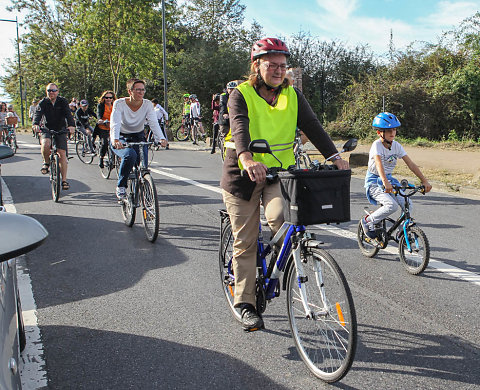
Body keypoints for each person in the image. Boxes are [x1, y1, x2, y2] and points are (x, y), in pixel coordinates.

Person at [220, 37, 349, 331]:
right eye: (271, 65)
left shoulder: (292, 94)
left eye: (282, 65)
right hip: (242, 175)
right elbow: (239, 126)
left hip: (280, 173)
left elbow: (312, 126)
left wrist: (335, 156)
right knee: (246, 241)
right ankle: (245, 303)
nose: (278, 70)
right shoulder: (241, 94)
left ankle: (277, 271)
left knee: (283, 220)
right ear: (257, 65)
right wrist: (247, 158)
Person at [361, 112, 432, 239]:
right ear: (379, 133)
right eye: (388, 130)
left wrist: (424, 181)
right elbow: (378, 164)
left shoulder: (396, 146)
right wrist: (385, 182)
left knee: (408, 203)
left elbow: (411, 164)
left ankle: (402, 231)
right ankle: (368, 221)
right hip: (374, 182)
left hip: (389, 180)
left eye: (394, 129)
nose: (392, 133)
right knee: (391, 206)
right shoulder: (376, 145)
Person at [110, 78, 167, 199]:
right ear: (130, 91)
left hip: (138, 135)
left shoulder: (147, 104)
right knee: (130, 155)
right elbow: (115, 123)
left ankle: (145, 192)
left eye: (143, 90)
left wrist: (161, 138)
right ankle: (121, 186)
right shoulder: (119, 103)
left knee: (143, 167)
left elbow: (153, 123)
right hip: (121, 136)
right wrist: (115, 140)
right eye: (138, 90)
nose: (141, 93)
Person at [32, 83, 75, 190]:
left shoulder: (63, 101)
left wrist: (71, 126)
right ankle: (46, 163)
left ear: (58, 91)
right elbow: (38, 114)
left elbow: (68, 114)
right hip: (47, 128)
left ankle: (64, 180)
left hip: (60, 129)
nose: (51, 92)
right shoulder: (43, 102)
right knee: (46, 144)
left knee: (62, 155)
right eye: (49, 90)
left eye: (53, 90)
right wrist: (35, 124)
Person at [95, 90, 117, 168]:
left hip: (113, 126)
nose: (108, 99)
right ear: (104, 98)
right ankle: (101, 158)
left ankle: (117, 159)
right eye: (106, 97)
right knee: (105, 143)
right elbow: (99, 114)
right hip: (103, 126)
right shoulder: (101, 105)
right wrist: (100, 119)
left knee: (118, 141)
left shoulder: (115, 105)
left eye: (110, 98)